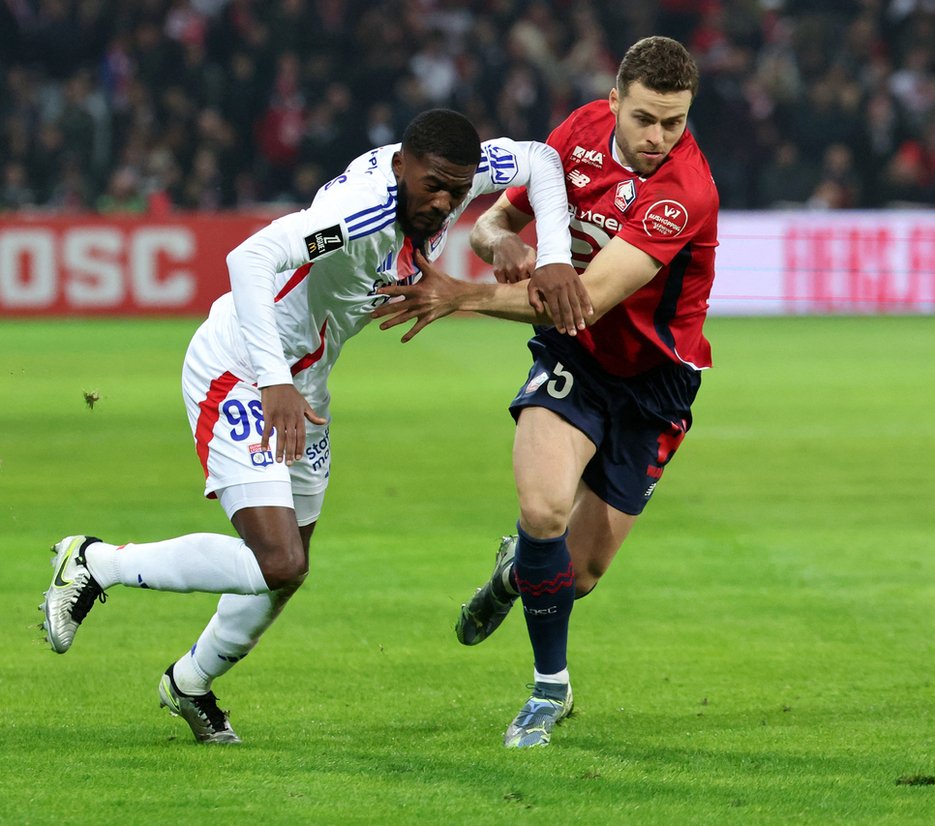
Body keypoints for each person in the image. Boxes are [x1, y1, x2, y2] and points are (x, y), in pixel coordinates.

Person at [39, 109, 576, 744]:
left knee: (289, 570)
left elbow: (542, 158)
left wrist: (554, 257)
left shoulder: (459, 175)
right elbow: (251, 259)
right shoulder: (359, 214)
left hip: (307, 384)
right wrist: (274, 382)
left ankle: (189, 683)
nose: (443, 203)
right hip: (244, 369)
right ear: (401, 165)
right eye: (432, 185)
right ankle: (94, 562)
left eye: (457, 191)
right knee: (278, 559)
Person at [373, 36, 719, 748]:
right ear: (614, 99)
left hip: (654, 385)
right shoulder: (577, 134)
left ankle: (512, 574)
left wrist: (461, 298)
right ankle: (548, 689)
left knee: (580, 575)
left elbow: (584, 299)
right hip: (574, 361)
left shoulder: (682, 193)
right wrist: (500, 245)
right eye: (645, 118)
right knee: (541, 509)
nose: (657, 138)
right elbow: (495, 224)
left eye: (673, 122)